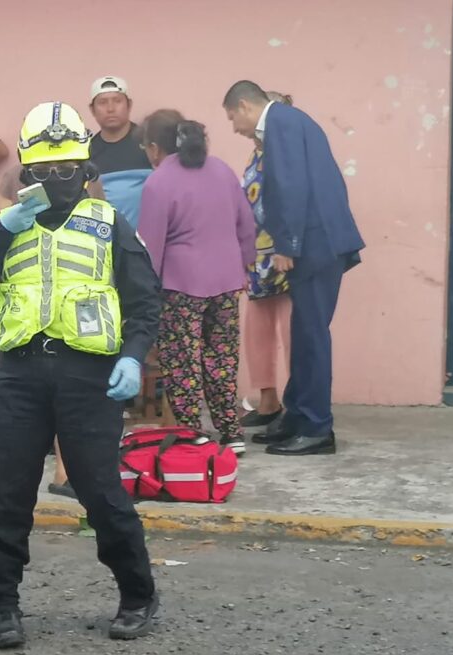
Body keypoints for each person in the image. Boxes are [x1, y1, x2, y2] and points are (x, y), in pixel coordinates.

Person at [0, 101, 161, 648]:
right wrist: (3, 227)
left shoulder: (109, 223)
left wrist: (132, 357)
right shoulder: (9, 224)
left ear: (86, 168)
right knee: (6, 490)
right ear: (26, 171)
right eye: (43, 172)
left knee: (100, 491)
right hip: (22, 373)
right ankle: (1, 605)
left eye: (67, 170)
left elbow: (145, 302)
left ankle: (137, 594)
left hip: (90, 375)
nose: (55, 181)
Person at [223, 80, 365, 456]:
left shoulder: (281, 123)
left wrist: (288, 244)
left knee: (312, 337)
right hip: (319, 242)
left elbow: (289, 185)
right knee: (304, 335)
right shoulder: (291, 121)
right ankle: (298, 418)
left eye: (232, 116)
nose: (233, 126)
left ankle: (317, 428)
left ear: (244, 105)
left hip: (316, 245)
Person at [136, 110, 256, 454]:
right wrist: (245, 265)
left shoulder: (159, 181)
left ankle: (193, 432)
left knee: (183, 360)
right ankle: (231, 432)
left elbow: (151, 245)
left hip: (180, 285)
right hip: (227, 280)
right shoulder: (222, 170)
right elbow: (245, 224)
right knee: (222, 357)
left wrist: (144, 290)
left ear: (155, 147)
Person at [0, 168, 105, 499]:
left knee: (65, 398)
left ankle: (65, 471)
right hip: (28, 306)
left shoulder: (82, 173)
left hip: (73, 303)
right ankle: (56, 473)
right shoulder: (16, 176)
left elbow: (100, 227)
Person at [240, 90, 295, 428]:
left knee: (292, 331)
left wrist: (286, 248)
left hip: (284, 257)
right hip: (256, 257)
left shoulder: (288, 156)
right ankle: (267, 399)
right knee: (257, 330)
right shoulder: (255, 155)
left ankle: (297, 402)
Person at [87, 76, 152, 228]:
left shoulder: (150, 144)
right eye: (103, 102)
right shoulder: (86, 152)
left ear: (129, 105)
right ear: (92, 109)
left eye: (117, 101)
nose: (110, 108)